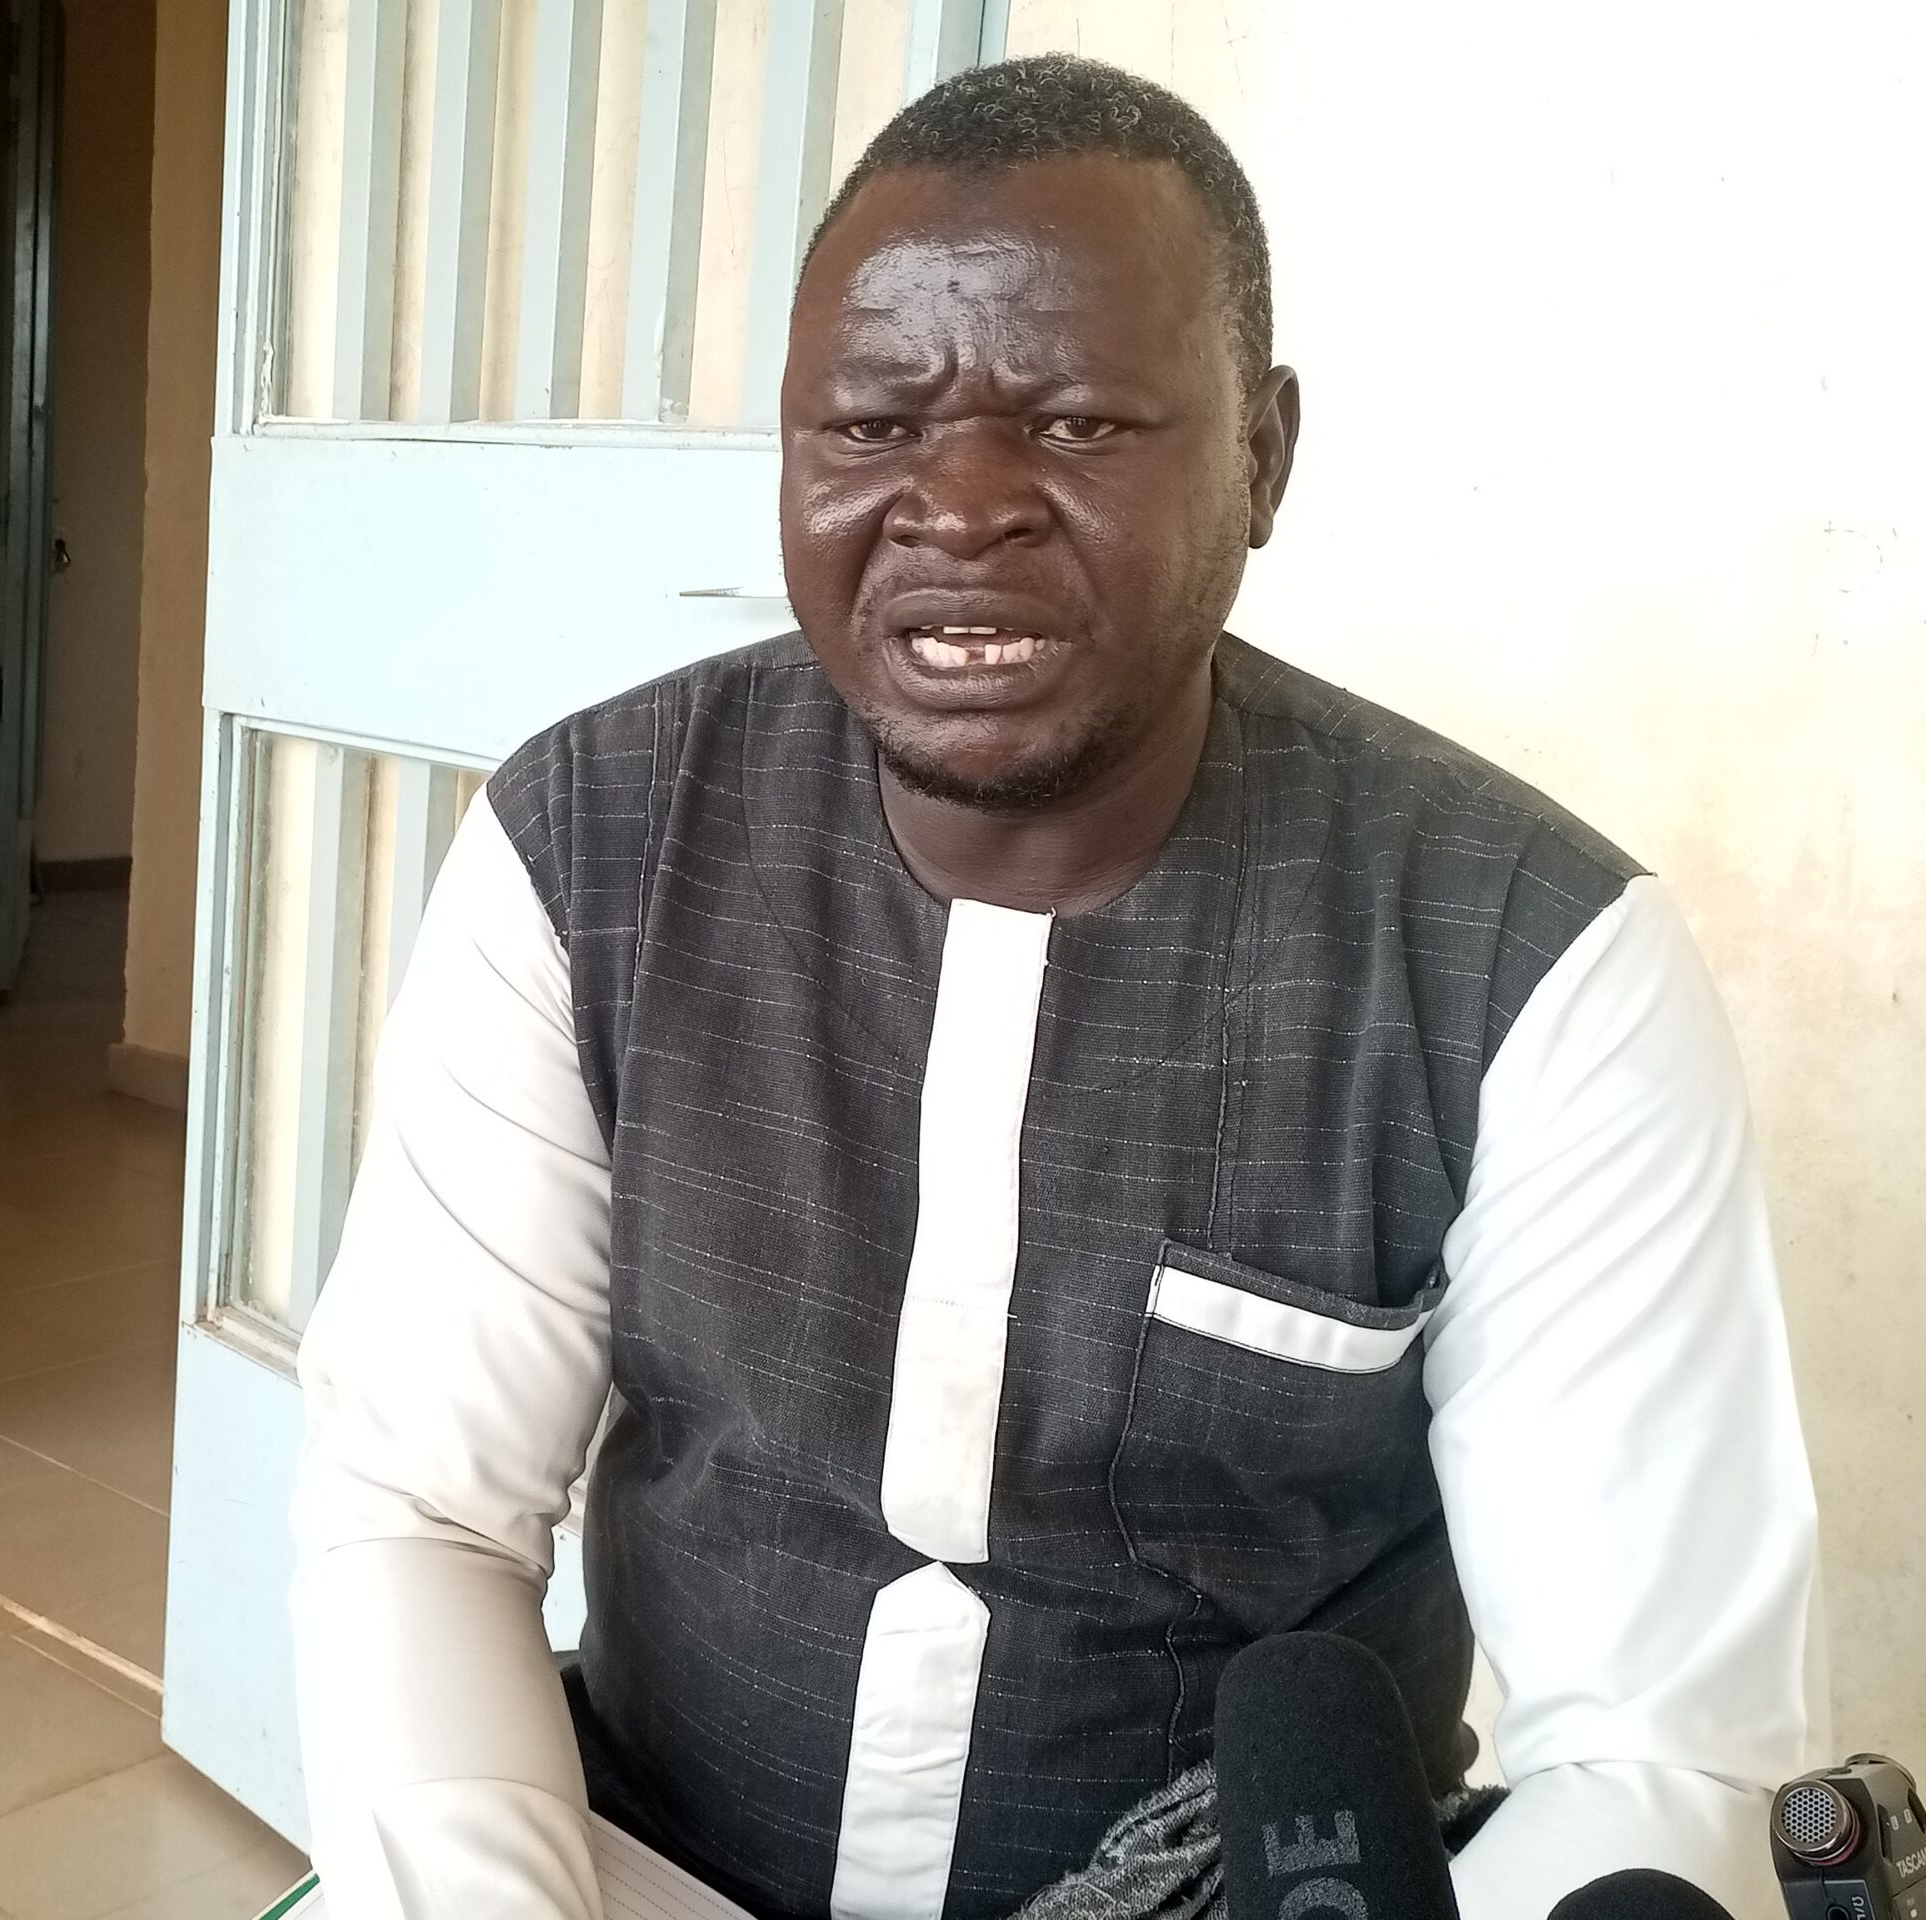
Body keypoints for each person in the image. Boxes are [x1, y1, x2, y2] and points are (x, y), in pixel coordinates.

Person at [290, 53, 1821, 1920]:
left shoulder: (1537, 969)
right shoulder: (587, 849)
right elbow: (422, 1509)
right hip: (632, 1866)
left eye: (1082, 421)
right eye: (872, 423)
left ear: (1263, 457)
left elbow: (1660, 1747)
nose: (960, 505)